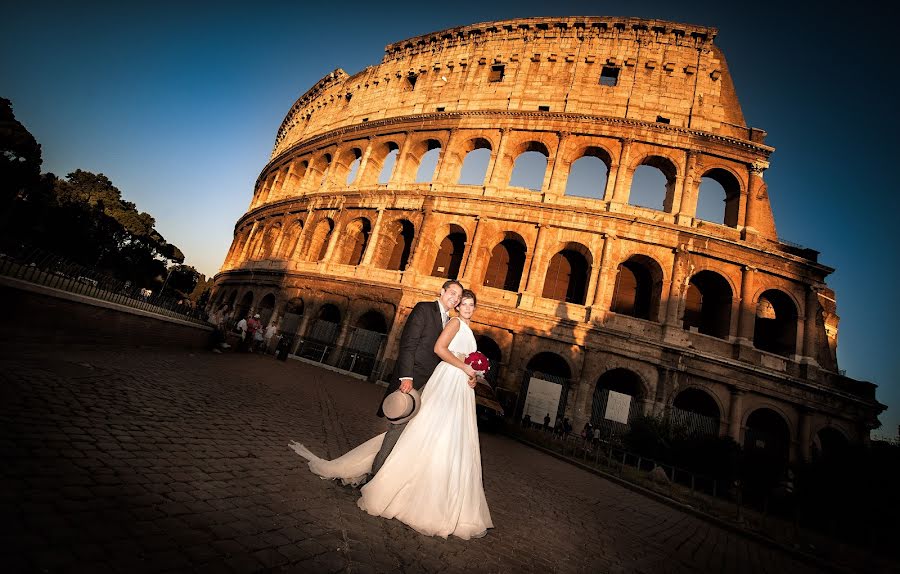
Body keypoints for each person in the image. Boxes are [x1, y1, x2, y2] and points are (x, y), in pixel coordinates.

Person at [289, 289, 493, 540]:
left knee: (439, 436)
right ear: (452, 301)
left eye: (471, 304)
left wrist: (472, 376)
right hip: (436, 381)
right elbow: (431, 347)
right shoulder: (449, 320)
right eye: (462, 301)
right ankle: (379, 477)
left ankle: (410, 480)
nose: (467, 307)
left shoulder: (462, 326)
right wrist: (459, 367)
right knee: (415, 431)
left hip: (454, 385)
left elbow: (453, 355)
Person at [371, 279, 465, 475]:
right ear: (442, 291)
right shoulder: (424, 309)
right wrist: (406, 377)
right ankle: (376, 474)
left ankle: (392, 474)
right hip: (412, 378)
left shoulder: (450, 321)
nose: (455, 298)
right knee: (397, 428)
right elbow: (408, 343)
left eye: (458, 296)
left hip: (432, 384)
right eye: (452, 293)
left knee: (414, 432)